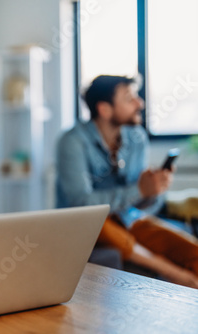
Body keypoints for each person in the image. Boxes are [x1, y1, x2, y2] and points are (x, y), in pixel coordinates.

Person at [56, 75, 198, 288]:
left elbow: (144, 205)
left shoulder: (137, 137)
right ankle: (167, 269)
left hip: (129, 218)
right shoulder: (72, 141)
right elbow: (82, 203)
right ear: (105, 109)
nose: (139, 103)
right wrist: (138, 189)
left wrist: (152, 190)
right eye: (129, 98)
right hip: (87, 224)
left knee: (192, 251)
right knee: (96, 219)